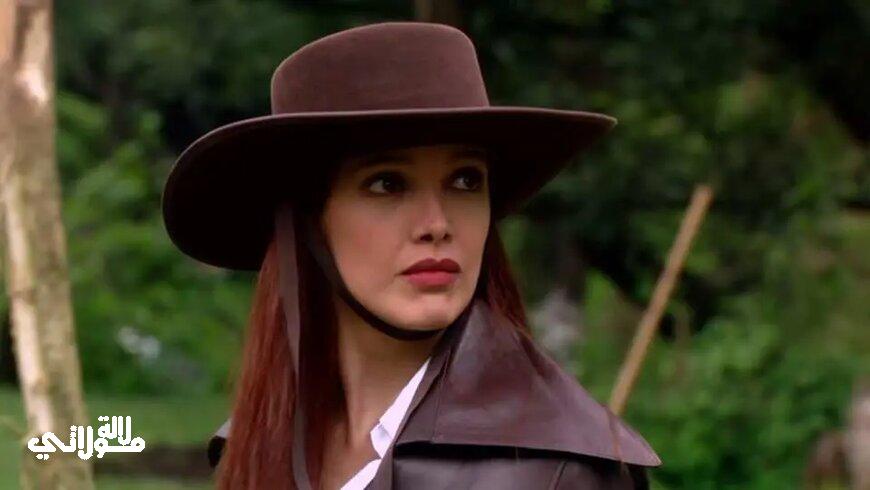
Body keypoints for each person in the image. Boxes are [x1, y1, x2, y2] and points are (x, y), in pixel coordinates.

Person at [161, 21, 661, 490]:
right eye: (387, 184)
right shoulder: (254, 444)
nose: (436, 224)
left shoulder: (559, 471)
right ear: (309, 222)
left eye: (465, 180)